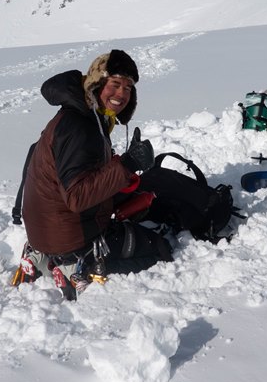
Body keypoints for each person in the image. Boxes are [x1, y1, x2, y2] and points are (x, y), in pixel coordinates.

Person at [18, 49, 172, 296]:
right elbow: (77, 196)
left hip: (46, 227)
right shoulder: (81, 127)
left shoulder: (83, 114)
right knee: (161, 248)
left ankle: (47, 256)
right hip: (70, 236)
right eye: (115, 84)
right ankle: (75, 267)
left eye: (128, 87)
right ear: (96, 83)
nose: (121, 94)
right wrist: (127, 164)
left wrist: (120, 170)